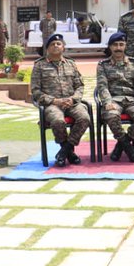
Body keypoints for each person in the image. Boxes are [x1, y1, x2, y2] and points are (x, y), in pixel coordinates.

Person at [30, 33, 90, 168]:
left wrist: (73, 99)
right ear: (47, 49)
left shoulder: (71, 64)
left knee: (85, 118)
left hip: (71, 103)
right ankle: (69, 153)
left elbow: (79, 86)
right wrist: (54, 101)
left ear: (63, 47)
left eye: (59, 44)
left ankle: (64, 151)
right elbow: (35, 91)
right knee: (58, 121)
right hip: (52, 105)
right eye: (52, 44)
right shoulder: (39, 66)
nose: (56, 46)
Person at [95, 31, 134, 163]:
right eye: (115, 45)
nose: (118, 48)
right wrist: (107, 101)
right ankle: (129, 148)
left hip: (132, 100)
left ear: (125, 46)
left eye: (121, 44)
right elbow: (102, 86)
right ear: (110, 47)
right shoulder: (103, 65)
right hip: (113, 100)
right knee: (111, 116)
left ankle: (120, 146)